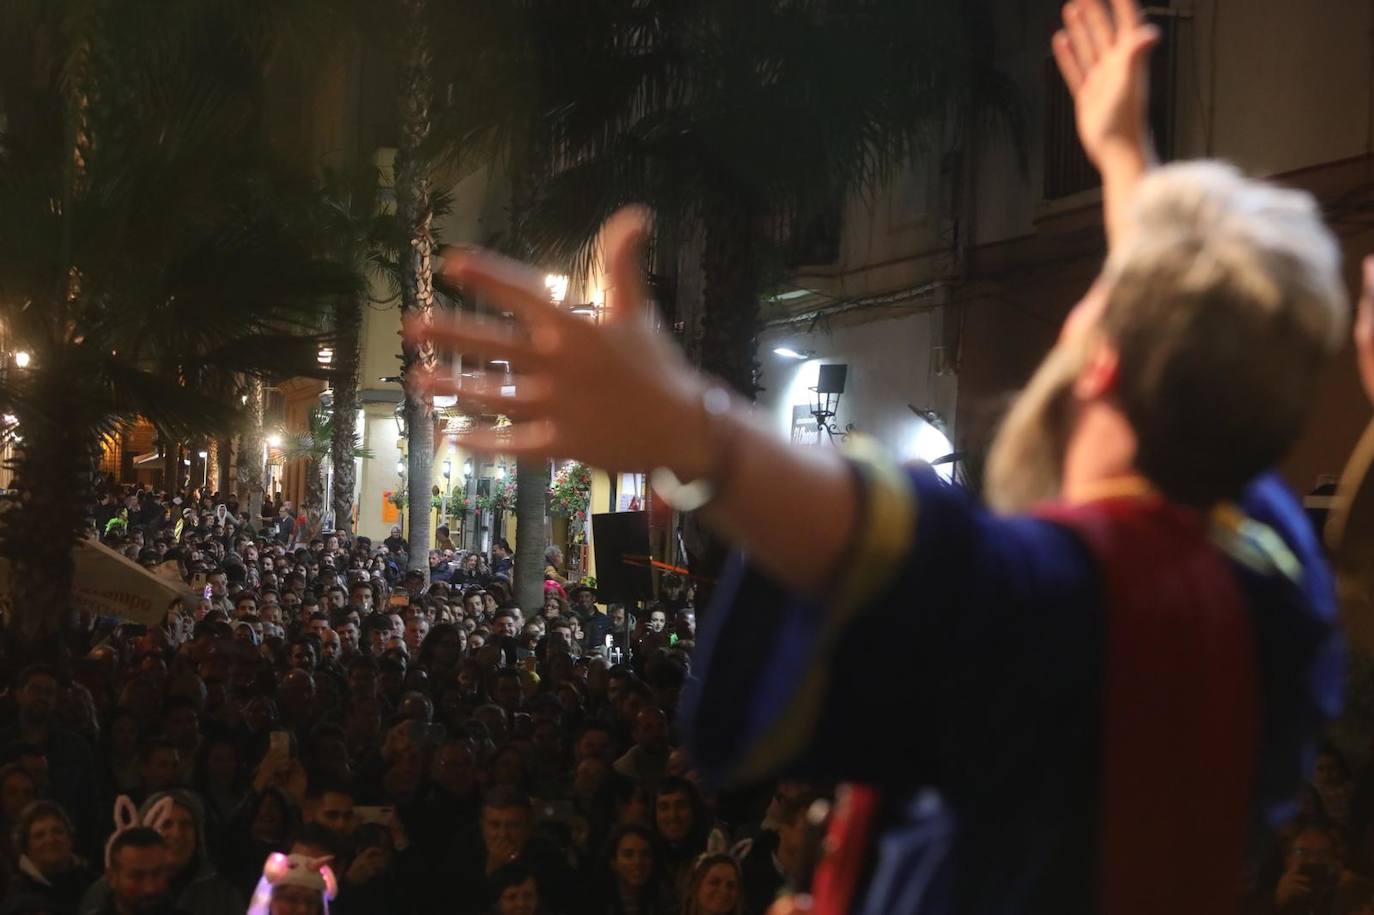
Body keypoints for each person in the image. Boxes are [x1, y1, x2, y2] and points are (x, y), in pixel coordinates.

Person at [414, 0, 1349, 911]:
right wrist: (1124, 161)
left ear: (1101, 362)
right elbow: (1184, 348)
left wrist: (685, 427)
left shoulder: (1073, 597)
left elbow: (897, 547)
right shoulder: (1272, 572)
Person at [2, 800, 99, 915]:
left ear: (70, 839)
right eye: (39, 835)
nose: (50, 840)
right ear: (26, 848)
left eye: (58, 831)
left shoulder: (95, 886)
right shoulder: (16, 899)